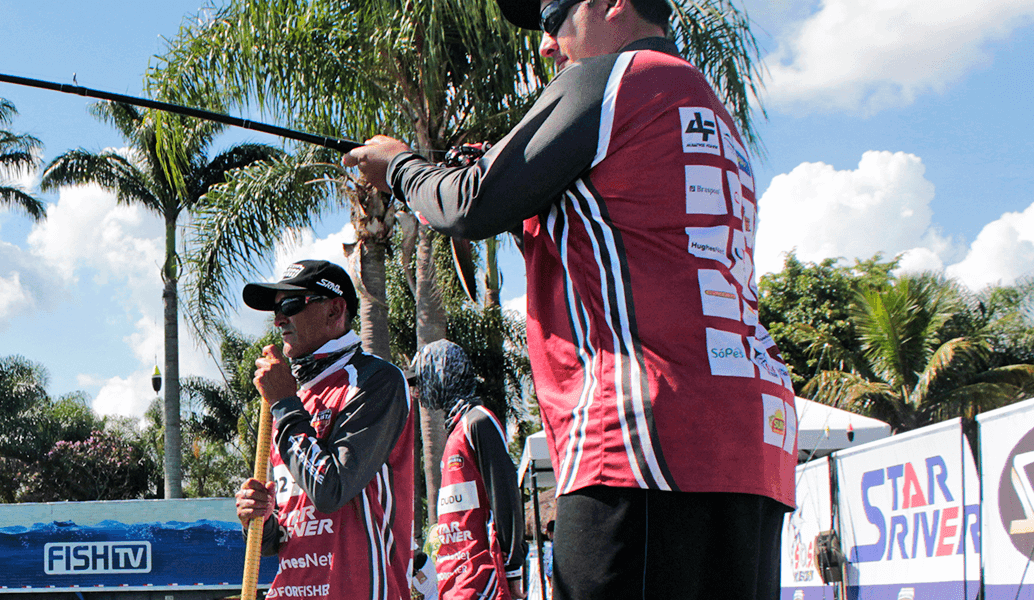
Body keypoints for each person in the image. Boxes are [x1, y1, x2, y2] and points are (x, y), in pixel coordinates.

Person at [343, 0, 798, 598]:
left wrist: (399, 167)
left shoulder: (616, 78)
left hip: (643, 442)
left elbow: (466, 204)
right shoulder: (705, 106)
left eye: (556, 18)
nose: (546, 44)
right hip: (751, 447)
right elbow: (622, 234)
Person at [232, 259, 415, 600]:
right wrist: (260, 518)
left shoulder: (376, 381)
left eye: (290, 304)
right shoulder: (290, 396)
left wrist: (285, 403)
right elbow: (281, 539)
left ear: (335, 310)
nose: (279, 318)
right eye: (275, 309)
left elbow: (330, 489)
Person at [412, 340, 525, 600]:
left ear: (442, 373)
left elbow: (505, 494)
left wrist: (513, 570)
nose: (418, 391)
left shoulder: (479, 421)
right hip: (454, 579)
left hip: (483, 577)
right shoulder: (455, 431)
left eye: (422, 378)